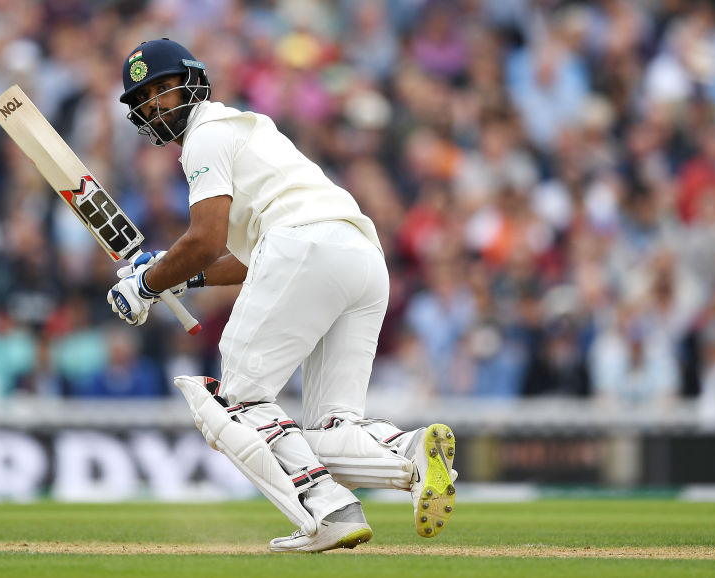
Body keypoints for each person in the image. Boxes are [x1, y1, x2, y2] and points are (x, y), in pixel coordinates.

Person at [106, 38, 458, 552]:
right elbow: (248, 258)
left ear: (193, 81)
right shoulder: (248, 131)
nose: (157, 102)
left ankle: (328, 509)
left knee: (234, 404)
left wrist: (145, 284)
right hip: (359, 256)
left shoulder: (205, 136)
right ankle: (409, 452)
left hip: (304, 247)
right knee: (330, 426)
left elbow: (205, 240)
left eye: (164, 87)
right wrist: (177, 277)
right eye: (146, 96)